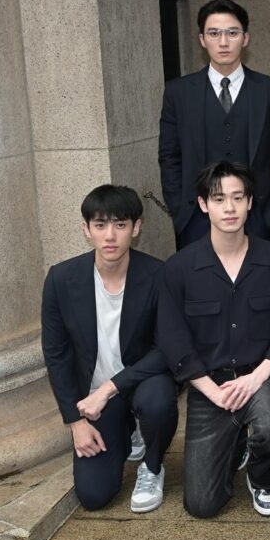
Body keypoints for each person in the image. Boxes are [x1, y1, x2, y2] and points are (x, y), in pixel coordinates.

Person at [157, 161, 270, 519]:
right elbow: (173, 339)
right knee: (202, 505)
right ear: (203, 204)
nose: (230, 208)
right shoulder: (179, 268)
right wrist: (212, 391)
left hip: (260, 376)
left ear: (250, 202)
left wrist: (255, 379)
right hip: (210, 384)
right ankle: (236, 442)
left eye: (238, 197)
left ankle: (264, 476)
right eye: (219, 199)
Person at [41, 185, 178, 513]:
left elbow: (166, 349)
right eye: (100, 225)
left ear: (136, 227)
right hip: (95, 400)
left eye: (120, 224)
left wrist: (109, 389)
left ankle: (153, 465)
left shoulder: (158, 275)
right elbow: (57, 355)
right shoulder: (61, 279)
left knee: (158, 401)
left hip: (140, 382)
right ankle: (129, 430)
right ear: (86, 229)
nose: (110, 235)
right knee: (94, 496)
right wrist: (76, 423)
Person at [159, 0, 270, 247]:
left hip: (256, 216)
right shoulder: (179, 92)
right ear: (202, 40)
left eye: (232, 33)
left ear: (245, 38)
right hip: (195, 218)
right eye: (214, 33)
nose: (223, 42)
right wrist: (180, 210)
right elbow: (169, 156)